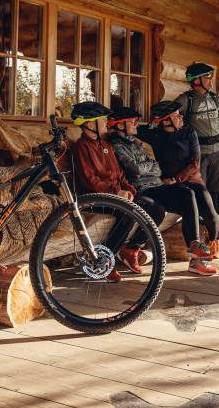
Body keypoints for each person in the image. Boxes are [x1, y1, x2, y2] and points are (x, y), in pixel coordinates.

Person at [107, 105, 217, 276]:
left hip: (157, 186)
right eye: (133, 121)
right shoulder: (116, 145)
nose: (136, 123)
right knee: (161, 207)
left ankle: (194, 244)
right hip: (142, 189)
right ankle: (131, 249)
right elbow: (135, 169)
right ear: (120, 125)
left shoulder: (134, 143)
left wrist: (149, 167)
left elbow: (156, 167)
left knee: (187, 193)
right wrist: (149, 166)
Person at [70, 101, 164, 282]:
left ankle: (131, 249)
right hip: (95, 199)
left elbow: (120, 174)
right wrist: (116, 193)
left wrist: (128, 189)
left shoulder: (105, 145)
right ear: (90, 124)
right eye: (103, 120)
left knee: (156, 209)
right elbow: (90, 181)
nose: (107, 122)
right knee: (128, 211)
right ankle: (104, 261)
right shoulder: (81, 147)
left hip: (115, 196)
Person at [139, 100, 219, 260]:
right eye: (176, 115)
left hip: (192, 180)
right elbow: (136, 130)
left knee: (211, 215)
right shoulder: (156, 135)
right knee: (187, 199)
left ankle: (214, 241)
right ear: (165, 121)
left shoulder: (189, 133)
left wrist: (176, 178)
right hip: (171, 187)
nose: (181, 117)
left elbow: (195, 163)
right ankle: (195, 251)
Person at [175, 63, 219, 214]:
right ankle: (200, 224)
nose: (211, 80)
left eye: (211, 76)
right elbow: (172, 123)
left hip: (218, 152)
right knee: (201, 191)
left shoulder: (215, 98)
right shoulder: (185, 100)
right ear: (196, 80)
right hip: (199, 154)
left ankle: (213, 227)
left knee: (215, 191)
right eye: (208, 76)